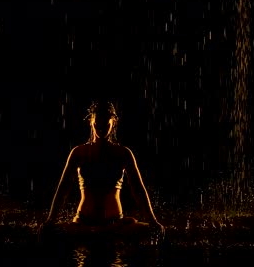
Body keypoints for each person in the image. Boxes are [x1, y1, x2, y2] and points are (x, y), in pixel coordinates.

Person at [38, 101, 165, 242]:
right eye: (98, 122)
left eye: (106, 123)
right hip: (83, 224)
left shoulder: (123, 153)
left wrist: (153, 221)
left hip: (115, 225)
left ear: (114, 123)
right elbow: (63, 189)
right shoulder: (79, 152)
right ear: (91, 122)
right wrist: (51, 220)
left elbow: (138, 189)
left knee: (151, 231)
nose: (101, 127)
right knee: (49, 232)